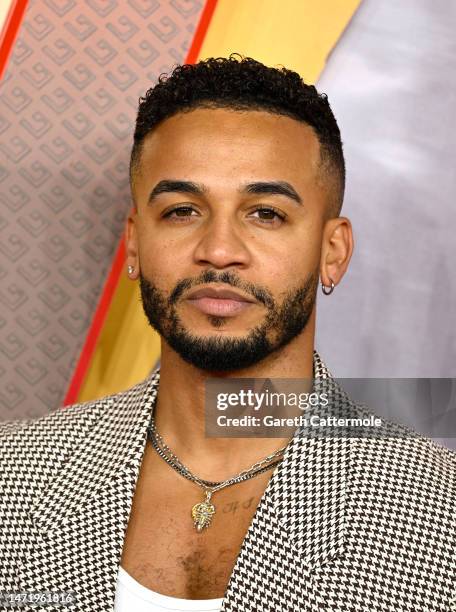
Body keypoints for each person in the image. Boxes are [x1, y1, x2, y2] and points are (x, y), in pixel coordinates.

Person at [0, 55, 454, 612]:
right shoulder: (15, 473)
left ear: (332, 252)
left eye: (265, 213)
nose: (218, 250)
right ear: (136, 242)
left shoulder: (436, 508)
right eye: (183, 210)